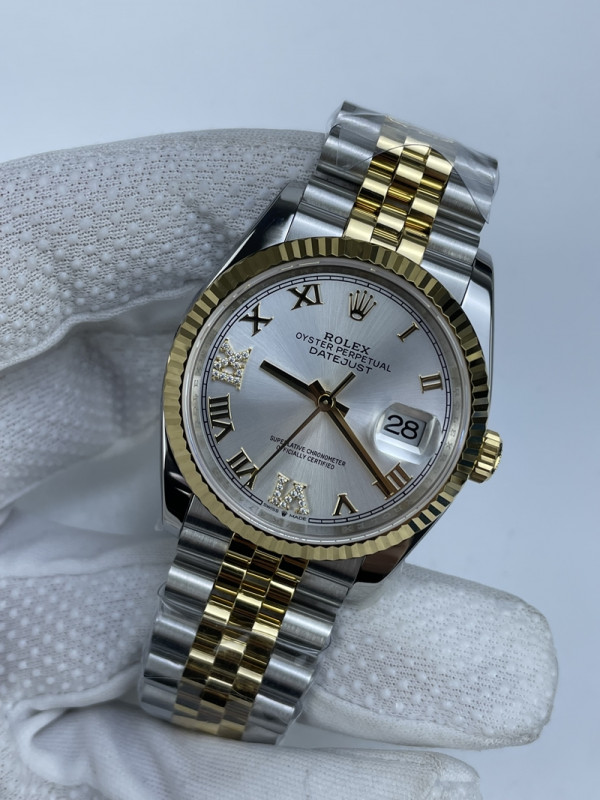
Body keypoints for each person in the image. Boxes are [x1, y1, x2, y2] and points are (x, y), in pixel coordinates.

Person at [0, 128, 557, 800]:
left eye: (334, 400)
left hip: (312, 514)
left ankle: (214, 711)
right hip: (246, 484)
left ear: (471, 453)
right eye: (321, 394)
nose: (326, 400)